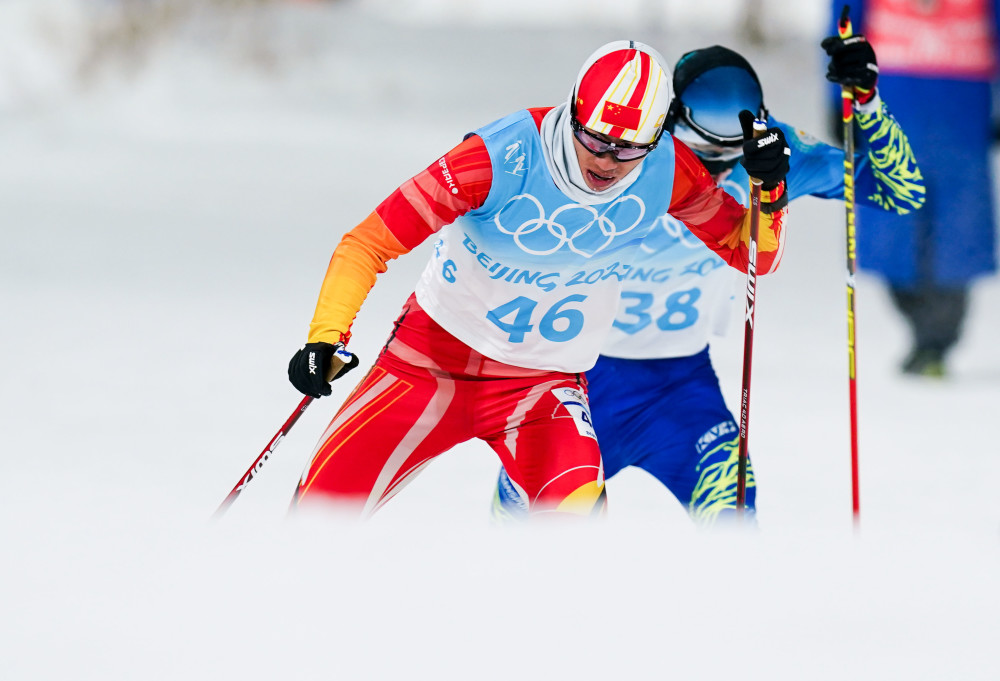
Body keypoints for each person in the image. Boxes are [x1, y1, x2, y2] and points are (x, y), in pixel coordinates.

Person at [285, 40, 791, 518]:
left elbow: (752, 255)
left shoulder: (668, 170)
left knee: (574, 542)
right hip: (430, 364)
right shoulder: (496, 158)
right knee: (318, 519)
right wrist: (325, 337)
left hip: (541, 386)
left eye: (628, 150)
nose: (606, 162)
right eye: (595, 138)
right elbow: (367, 242)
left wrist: (770, 187)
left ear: (658, 137)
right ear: (572, 111)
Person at [493, 41, 925, 525]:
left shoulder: (771, 156)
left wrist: (866, 102)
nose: (717, 171)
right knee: (528, 536)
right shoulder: (613, 152)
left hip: (682, 387)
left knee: (736, 527)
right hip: (579, 382)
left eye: (730, 155)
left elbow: (902, 191)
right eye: (700, 152)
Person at [828, 0, 1000, 377]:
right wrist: (839, 97)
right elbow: (844, 23)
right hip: (892, 92)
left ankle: (936, 339)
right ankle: (923, 327)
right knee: (892, 224)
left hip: (962, 100)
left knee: (958, 224)